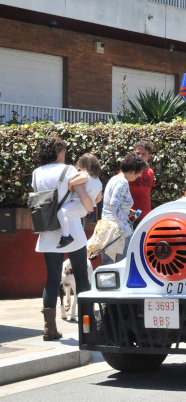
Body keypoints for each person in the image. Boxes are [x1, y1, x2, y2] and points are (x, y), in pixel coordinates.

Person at [32, 136, 94, 341]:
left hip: (48, 230)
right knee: (82, 277)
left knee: (51, 279)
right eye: (63, 150)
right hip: (72, 230)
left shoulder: (36, 173)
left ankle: (49, 329)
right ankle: (88, 328)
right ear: (57, 151)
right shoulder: (68, 170)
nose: (65, 154)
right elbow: (82, 191)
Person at [101, 154, 148, 265]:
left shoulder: (114, 179)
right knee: (126, 264)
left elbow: (111, 203)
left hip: (106, 226)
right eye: (139, 172)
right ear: (132, 171)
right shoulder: (123, 183)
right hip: (117, 229)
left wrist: (127, 211)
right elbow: (113, 204)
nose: (140, 175)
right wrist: (122, 226)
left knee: (108, 263)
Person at [56, 153, 103, 248]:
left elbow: (73, 182)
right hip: (85, 209)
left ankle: (66, 236)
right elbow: (99, 198)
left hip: (78, 203)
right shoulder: (98, 181)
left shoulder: (84, 175)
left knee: (61, 213)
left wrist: (70, 185)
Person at [129, 141, 156, 229]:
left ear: (149, 156)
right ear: (134, 154)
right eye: (138, 153)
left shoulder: (150, 172)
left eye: (144, 154)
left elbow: (147, 192)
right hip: (130, 216)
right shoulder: (127, 172)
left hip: (146, 215)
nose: (140, 156)